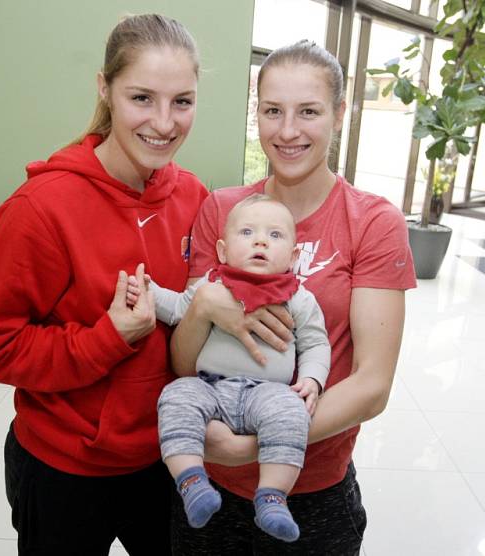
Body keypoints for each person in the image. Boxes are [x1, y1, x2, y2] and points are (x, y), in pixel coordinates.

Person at [0, 14, 209, 556]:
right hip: (63, 468)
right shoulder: (39, 210)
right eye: (142, 97)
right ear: (105, 89)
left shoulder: (193, 198)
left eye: (182, 101)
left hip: (169, 458)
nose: (164, 123)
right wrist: (106, 339)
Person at [167, 40, 417, 554]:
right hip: (207, 490)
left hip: (313, 492)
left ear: (340, 114)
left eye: (309, 112)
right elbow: (183, 360)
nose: (287, 131)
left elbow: (372, 385)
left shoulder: (371, 221)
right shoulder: (226, 211)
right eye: (272, 111)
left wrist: (253, 446)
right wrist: (202, 309)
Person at [140, 194, 330, 543]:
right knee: (176, 395)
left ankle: (272, 497)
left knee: (293, 413)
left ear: (292, 257)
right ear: (224, 251)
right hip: (209, 387)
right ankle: (192, 482)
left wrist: (312, 379)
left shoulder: (298, 297)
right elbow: (177, 308)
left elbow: (316, 343)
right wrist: (150, 291)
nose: (260, 241)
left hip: (269, 393)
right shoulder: (210, 286)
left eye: (275, 235)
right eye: (247, 232)